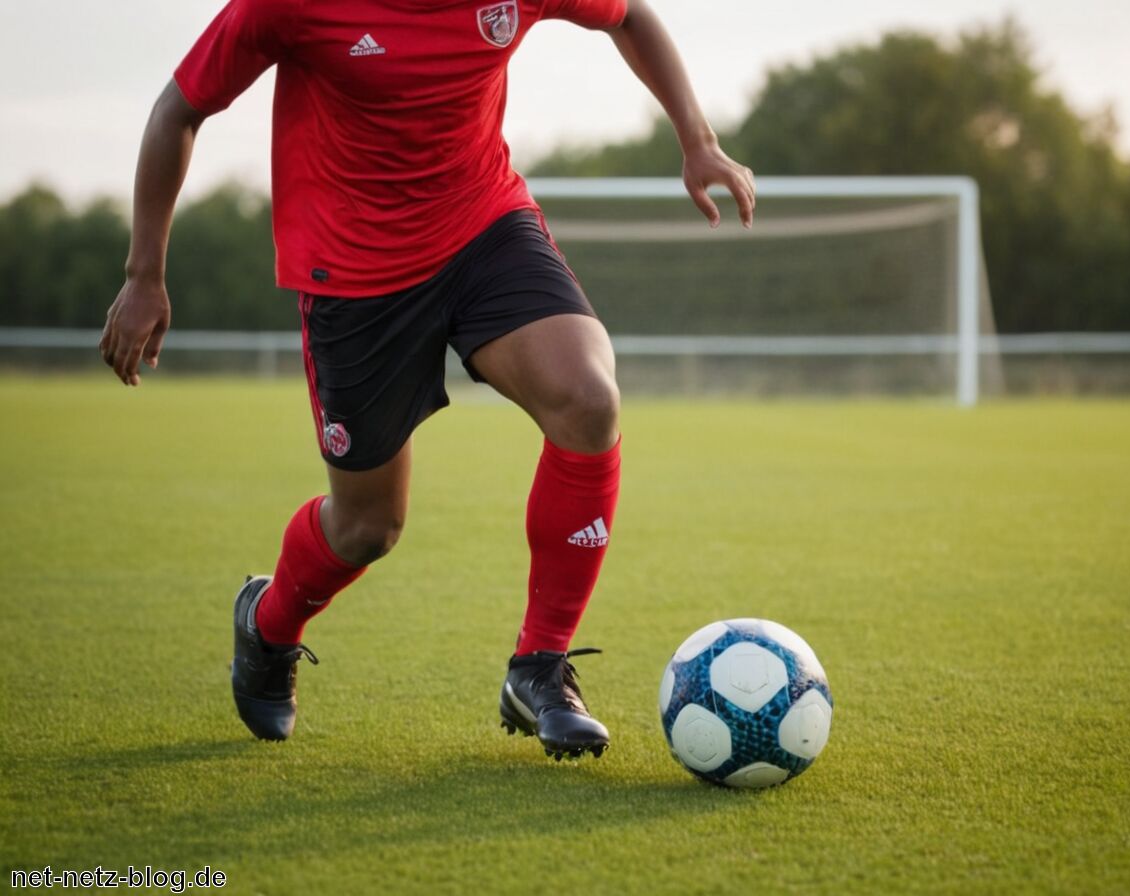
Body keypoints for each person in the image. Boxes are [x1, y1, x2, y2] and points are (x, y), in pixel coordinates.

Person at [100, 0, 755, 760]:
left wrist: (698, 141)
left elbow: (629, 15)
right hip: (354, 271)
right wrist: (144, 274)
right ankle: (268, 624)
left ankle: (539, 666)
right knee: (368, 527)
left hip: (482, 226)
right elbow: (178, 109)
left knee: (588, 398)